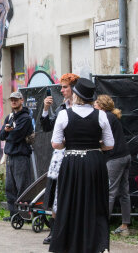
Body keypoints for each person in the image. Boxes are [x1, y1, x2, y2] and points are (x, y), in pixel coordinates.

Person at [49, 78, 114, 253]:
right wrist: (93, 145)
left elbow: (55, 144)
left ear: (76, 95)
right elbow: (109, 145)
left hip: (72, 162)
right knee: (96, 202)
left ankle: (68, 245)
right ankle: (98, 245)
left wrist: (69, 143)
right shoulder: (101, 115)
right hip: (94, 162)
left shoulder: (64, 114)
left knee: (68, 201)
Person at [40, 73, 79, 244]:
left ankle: (73, 231)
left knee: (72, 194)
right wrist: (46, 109)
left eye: (65, 87)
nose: (62, 90)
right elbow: (48, 126)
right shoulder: (62, 108)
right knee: (56, 193)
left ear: (74, 89)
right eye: (61, 87)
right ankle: (55, 231)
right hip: (60, 156)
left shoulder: (84, 107)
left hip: (77, 156)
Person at [95, 94, 131, 236]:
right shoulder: (113, 116)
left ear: (102, 106)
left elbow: (104, 139)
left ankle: (103, 225)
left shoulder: (105, 117)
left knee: (109, 191)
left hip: (115, 158)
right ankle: (125, 225)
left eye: (97, 103)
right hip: (125, 156)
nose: (94, 105)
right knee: (124, 192)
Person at [0, 91, 33, 221]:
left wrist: (9, 132)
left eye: (16, 100)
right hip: (10, 156)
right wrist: (7, 131)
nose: (13, 102)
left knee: (22, 187)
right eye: (12, 100)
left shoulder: (26, 118)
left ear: (21, 100)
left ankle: (24, 215)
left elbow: (16, 136)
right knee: (10, 187)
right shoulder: (10, 117)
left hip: (21, 155)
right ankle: (14, 215)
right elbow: (2, 135)